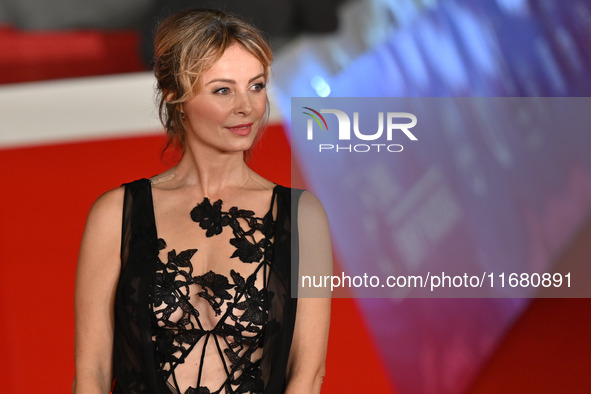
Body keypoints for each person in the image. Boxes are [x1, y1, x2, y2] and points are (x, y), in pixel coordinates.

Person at [72, 8, 332, 394]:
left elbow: (307, 374)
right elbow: (90, 371)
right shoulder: (115, 214)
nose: (247, 107)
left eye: (256, 86)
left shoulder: (301, 216)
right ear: (174, 94)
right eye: (223, 90)